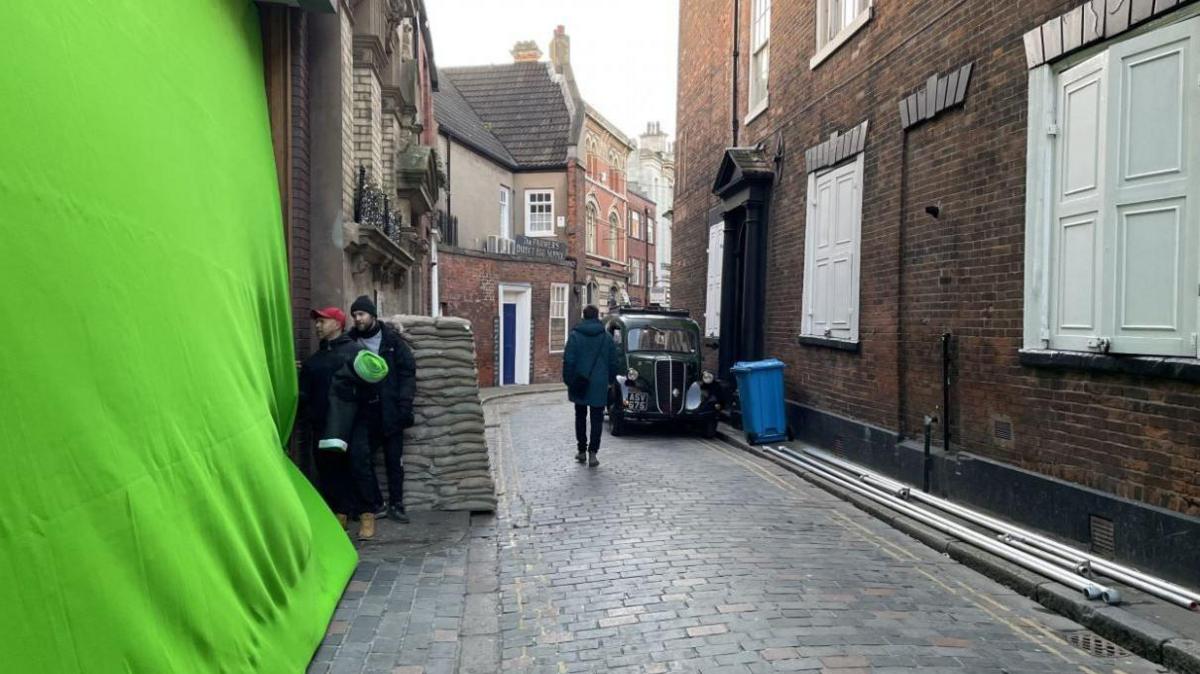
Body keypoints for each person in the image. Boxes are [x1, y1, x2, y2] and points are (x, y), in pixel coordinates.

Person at [346, 295, 417, 523]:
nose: (358, 319)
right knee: (361, 458)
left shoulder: (392, 341)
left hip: (391, 410)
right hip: (365, 412)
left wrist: (404, 404)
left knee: (393, 460)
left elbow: (407, 372)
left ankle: (397, 505)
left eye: (361, 314)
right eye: (355, 315)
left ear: (372, 316)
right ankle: (376, 503)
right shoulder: (350, 342)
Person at [297, 307, 364, 532]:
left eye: (322, 321)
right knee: (326, 468)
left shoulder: (354, 352)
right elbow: (305, 392)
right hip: (321, 423)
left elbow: (369, 387)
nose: (317, 326)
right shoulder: (314, 360)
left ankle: (352, 511)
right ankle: (339, 512)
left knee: (350, 466)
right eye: (316, 322)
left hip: (349, 424)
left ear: (337, 323)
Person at [562, 304, 620, 467]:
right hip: (599, 384)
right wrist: (610, 380)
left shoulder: (574, 336)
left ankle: (581, 451)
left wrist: (568, 380)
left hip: (579, 382)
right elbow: (613, 362)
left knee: (580, 417)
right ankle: (593, 452)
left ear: (584, 316)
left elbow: (568, 361)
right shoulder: (606, 337)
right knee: (596, 419)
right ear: (597, 317)